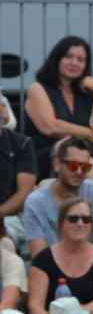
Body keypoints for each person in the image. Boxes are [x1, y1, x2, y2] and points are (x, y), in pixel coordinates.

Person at [23, 35, 93, 180]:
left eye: (80, 60)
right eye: (68, 56)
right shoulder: (37, 88)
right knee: (77, 155)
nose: (74, 63)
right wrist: (89, 134)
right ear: (57, 59)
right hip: (47, 162)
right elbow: (51, 127)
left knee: (83, 157)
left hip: (85, 163)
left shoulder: (88, 93)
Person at [28, 198, 93, 314]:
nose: (80, 223)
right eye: (73, 219)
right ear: (61, 223)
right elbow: (35, 306)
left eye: (86, 219)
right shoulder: (43, 259)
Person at [21, 137, 93, 257]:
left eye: (85, 167)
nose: (79, 171)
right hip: (52, 271)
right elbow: (39, 257)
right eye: (73, 165)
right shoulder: (35, 202)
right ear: (57, 164)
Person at [0, 97, 36, 241]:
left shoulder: (22, 143)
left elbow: (24, 194)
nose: (1, 109)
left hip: (10, 218)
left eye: (3, 105)